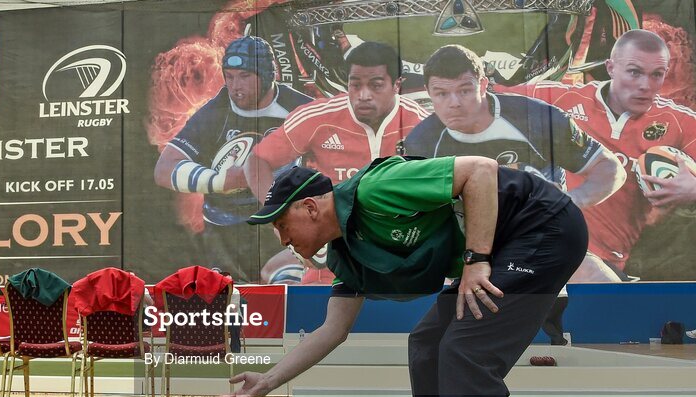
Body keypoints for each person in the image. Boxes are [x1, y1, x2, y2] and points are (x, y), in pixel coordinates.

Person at [217, 155, 588, 397]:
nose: (282, 239)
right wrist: (269, 381)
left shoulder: (376, 188)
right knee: (427, 345)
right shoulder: (348, 254)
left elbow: (480, 169)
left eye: (281, 224)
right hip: (499, 248)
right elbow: (332, 330)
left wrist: (477, 260)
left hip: (542, 227)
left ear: (310, 207)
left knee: (465, 353)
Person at [405, 44, 625, 282]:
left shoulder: (535, 118)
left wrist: (571, 201)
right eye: (441, 94)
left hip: (541, 238)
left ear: (482, 85)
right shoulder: (421, 144)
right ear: (428, 92)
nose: (454, 102)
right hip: (470, 254)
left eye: (465, 90)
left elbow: (609, 168)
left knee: (600, 283)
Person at [507, 30, 696, 280]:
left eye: (656, 75)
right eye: (634, 72)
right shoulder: (561, 97)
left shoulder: (678, 123)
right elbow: (481, 96)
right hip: (543, 245)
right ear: (610, 67)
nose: (645, 85)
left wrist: (693, 189)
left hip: (609, 263)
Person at [246, 41, 429, 284]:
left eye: (376, 85)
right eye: (355, 85)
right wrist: (283, 214)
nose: (363, 95)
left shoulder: (421, 123)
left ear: (397, 85)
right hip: (331, 258)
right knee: (320, 318)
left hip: (399, 254)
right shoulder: (317, 117)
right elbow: (257, 161)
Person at [153, 35, 313, 280]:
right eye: (229, 76)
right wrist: (221, 182)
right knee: (231, 303)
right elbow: (163, 170)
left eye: (245, 76)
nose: (235, 85)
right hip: (224, 231)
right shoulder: (215, 111)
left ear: (268, 74)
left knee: (284, 288)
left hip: (281, 224)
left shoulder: (302, 109)